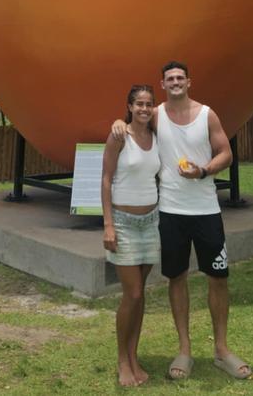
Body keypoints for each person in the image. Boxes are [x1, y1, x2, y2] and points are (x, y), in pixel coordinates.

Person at [112, 61, 251, 381]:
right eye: (169, 79)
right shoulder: (156, 113)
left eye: (180, 78)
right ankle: (185, 350)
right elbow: (132, 122)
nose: (175, 82)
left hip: (206, 210)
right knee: (177, 278)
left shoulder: (207, 114)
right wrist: (115, 123)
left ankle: (221, 350)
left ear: (189, 81)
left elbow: (225, 152)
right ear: (163, 83)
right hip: (171, 212)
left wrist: (203, 170)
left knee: (218, 278)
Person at [102, 84, 161, 387]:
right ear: (129, 106)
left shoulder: (156, 136)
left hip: (151, 222)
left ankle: (134, 356)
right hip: (124, 223)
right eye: (139, 103)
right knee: (133, 293)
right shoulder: (118, 136)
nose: (144, 108)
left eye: (149, 104)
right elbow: (107, 178)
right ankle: (122, 360)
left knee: (140, 296)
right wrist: (109, 224)